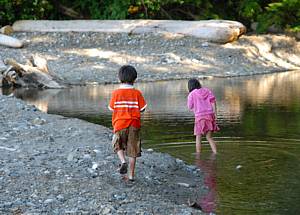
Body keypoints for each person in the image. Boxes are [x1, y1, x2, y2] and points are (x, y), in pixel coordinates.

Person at [108, 65, 147, 181]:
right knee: (133, 150)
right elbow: (142, 108)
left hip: (119, 124)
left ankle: (123, 161)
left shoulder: (116, 93)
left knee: (117, 144)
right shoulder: (137, 93)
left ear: (119, 78)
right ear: (134, 79)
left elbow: (111, 108)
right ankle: (131, 176)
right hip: (134, 124)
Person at [187, 78, 219, 154]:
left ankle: (198, 154)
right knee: (209, 137)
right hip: (210, 116)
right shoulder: (207, 91)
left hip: (199, 117)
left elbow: (190, 106)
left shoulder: (191, 94)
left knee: (198, 136)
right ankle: (215, 153)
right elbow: (213, 102)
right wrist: (215, 114)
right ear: (198, 84)